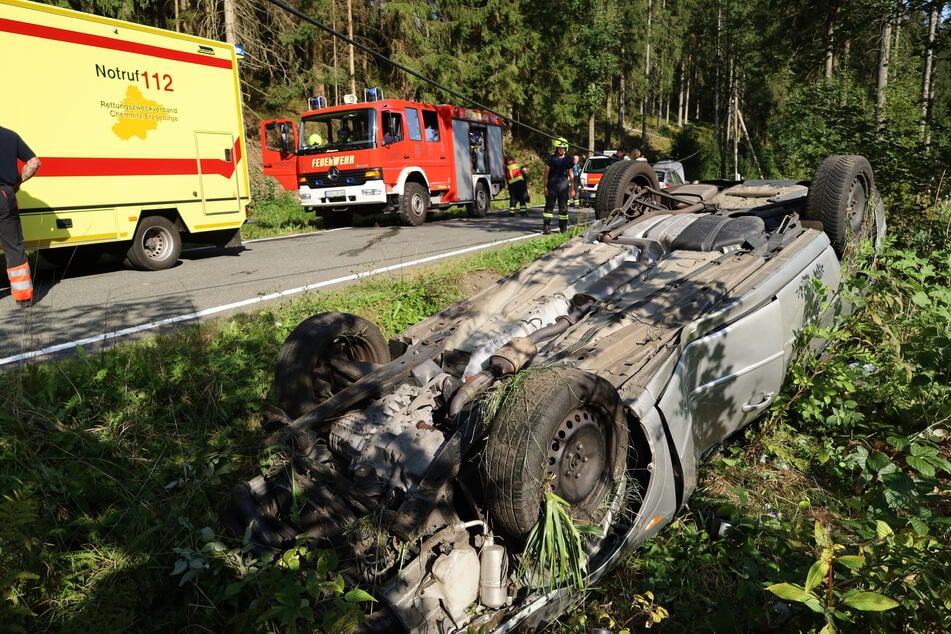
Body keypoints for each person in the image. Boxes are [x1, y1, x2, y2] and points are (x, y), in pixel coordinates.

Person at [0, 126, 41, 307]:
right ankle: (24, 297)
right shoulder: (10, 135)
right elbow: (34, 163)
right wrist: (16, 183)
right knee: (13, 247)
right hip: (5, 195)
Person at [542, 137, 574, 234]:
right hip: (552, 184)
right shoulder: (551, 159)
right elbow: (546, 174)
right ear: (556, 148)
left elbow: (571, 175)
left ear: (566, 148)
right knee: (549, 206)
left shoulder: (568, 159)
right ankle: (546, 226)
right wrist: (545, 187)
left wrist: (572, 189)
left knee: (563, 207)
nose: (562, 150)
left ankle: (563, 228)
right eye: (560, 148)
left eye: (563, 148)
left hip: (563, 184)